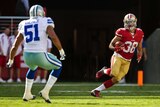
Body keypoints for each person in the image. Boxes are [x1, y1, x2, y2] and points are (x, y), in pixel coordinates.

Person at [7, 4, 66, 103]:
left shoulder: (24, 23)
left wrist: (11, 59)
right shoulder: (46, 21)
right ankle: (45, 92)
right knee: (58, 66)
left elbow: (15, 45)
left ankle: (27, 93)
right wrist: (61, 50)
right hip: (39, 54)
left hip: (27, 56)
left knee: (32, 67)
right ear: (41, 12)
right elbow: (53, 36)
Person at [91, 13, 144, 97]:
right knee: (114, 73)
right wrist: (115, 48)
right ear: (125, 22)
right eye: (128, 22)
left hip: (128, 60)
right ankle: (104, 70)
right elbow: (110, 45)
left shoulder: (140, 32)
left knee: (117, 79)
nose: (130, 24)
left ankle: (96, 90)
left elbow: (139, 46)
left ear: (135, 22)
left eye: (131, 22)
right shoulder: (121, 32)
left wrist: (139, 54)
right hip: (118, 56)